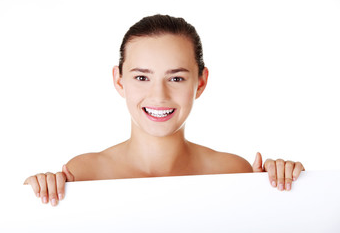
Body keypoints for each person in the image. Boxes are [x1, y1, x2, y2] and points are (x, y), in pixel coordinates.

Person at [24, 14, 305, 207]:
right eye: (142, 77)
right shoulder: (84, 173)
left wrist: (284, 188)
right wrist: (36, 194)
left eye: (176, 78)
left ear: (201, 82)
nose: (159, 95)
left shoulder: (232, 171)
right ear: (119, 81)